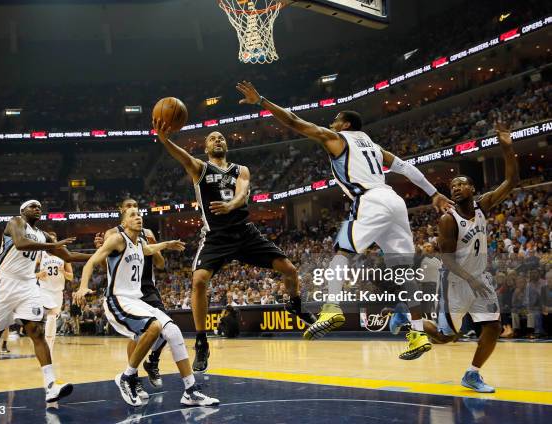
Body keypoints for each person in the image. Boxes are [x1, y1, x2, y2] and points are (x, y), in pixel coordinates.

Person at [235, 81, 452, 359]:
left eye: (336, 120)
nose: (332, 123)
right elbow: (407, 168)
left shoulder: (338, 139)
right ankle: (419, 334)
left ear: (347, 124)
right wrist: (434, 193)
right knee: (403, 272)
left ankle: (331, 307)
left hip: (371, 200)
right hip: (395, 202)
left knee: (342, 253)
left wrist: (262, 100)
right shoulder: (374, 147)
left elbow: (294, 121)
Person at [153, 118, 316, 373]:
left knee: (291, 271)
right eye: (212, 138)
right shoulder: (200, 169)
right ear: (206, 149)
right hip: (216, 237)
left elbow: (242, 193)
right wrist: (165, 140)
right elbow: (182, 156)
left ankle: (295, 305)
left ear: (227, 145)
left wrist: (231, 205)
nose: (218, 140)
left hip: (245, 234)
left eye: (221, 138)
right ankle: (201, 341)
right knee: (198, 281)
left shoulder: (241, 169)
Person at [74, 207, 219, 407]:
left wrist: (167, 244)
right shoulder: (117, 239)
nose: (138, 217)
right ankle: (128, 377)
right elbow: (91, 262)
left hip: (137, 300)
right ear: (124, 223)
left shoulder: (140, 242)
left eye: (139, 214)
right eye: (132, 215)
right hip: (117, 300)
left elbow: (151, 249)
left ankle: (190, 391)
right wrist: (83, 287)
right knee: (154, 327)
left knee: (174, 332)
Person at [0, 200, 92, 404]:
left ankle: (50, 386)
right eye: (33, 206)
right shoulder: (15, 222)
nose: (37, 208)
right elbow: (21, 244)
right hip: (3, 282)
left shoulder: (43, 235)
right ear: (23, 211)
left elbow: (70, 256)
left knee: (37, 332)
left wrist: (102, 255)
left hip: (27, 284)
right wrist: (51, 245)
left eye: (39, 206)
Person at [422, 122, 518, 392]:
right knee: (445, 337)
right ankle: (410, 319)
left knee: (493, 326)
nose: (455, 188)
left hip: (479, 279)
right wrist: (470, 279)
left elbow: (511, 182)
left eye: (461, 184)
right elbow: (448, 261)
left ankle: (472, 374)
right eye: (452, 185)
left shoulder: (483, 206)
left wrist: (507, 148)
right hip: (455, 281)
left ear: (473, 190)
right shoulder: (447, 220)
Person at [94, 197, 168, 387]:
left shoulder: (148, 232)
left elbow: (161, 265)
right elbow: (105, 268)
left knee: (166, 328)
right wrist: (99, 250)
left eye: (136, 207)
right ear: (122, 211)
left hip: (147, 287)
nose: (134, 209)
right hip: (125, 289)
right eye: (129, 207)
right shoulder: (112, 234)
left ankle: (153, 362)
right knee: (136, 335)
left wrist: (155, 247)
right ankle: (133, 376)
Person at [36, 231, 74, 358]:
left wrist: (64, 272)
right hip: (44, 290)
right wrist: (37, 275)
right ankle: (47, 350)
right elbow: (29, 273)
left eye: (53, 240)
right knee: (51, 318)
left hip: (58, 292)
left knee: (52, 320)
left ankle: (49, 349)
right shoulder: (40, 253)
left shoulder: (63, 254)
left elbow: (71, 277)